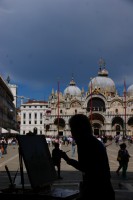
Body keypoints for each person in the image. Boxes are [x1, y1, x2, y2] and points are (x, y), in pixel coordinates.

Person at [61, 114, 115, 200]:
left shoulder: (85, 142)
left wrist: (67, 159)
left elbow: (84, 167)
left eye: (72, 128)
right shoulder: (93, 140)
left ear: (78, 129)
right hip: (105, 188)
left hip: (97, 191)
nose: (71, 132)